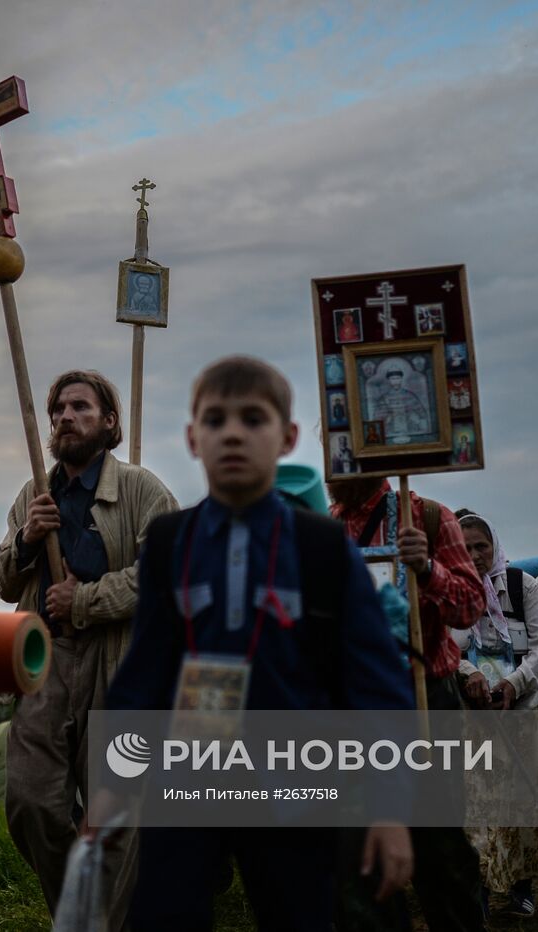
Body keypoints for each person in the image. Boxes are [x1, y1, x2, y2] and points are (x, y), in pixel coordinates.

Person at [97, 355, 414, 929]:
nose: (234, 433)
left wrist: (390, 811)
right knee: (164, 913)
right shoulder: (171, 541)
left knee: (297, 913)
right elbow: (144, 673)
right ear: (194, 438)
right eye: (215, 420)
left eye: (253, 418)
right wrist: (113, 782)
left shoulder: (321, 547)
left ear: (287, 436)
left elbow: (378, 685)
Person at [0, 370, 177, 930]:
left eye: (79, 407)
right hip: (46, 659)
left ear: (109, 421)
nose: (65, 419)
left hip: (117, 659)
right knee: (30, 803)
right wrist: (27, 539)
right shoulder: (33, 491)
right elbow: (2, 582)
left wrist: (87, 599)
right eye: (57, 411)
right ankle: (81, 909)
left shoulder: (143, 490)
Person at [327, 475, 486, 932]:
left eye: (347, 457)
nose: (336, 470)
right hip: (354, 707)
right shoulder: (327, 526)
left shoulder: (429, 517)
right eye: (332, 455)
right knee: (358, 849)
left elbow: (472, 605)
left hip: (425, 699)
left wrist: (429, 569)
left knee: (439, 847)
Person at [452, 511, 538, 920]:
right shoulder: (449, 594)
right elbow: (445, 647)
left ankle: (521, 888)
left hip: (525, 712)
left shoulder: (522, 586)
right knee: (476, 806)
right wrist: (470, 674)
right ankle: (478, 890)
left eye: (481, 546)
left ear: (494, 546)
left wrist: (513, 683)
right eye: (464, 548)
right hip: (474, 718)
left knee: (522, 804)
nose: (475, 554)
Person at [370, 368, 429, 441]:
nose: (395, 381)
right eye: (392, 379)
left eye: (397, 378)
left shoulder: (410, 396)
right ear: (389, 380)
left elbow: (422, 414)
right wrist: (387, 419)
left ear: (401, 379)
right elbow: (377, 418)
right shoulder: (384, 398)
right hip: (391, 432)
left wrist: (418, 421)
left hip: (410, 431)